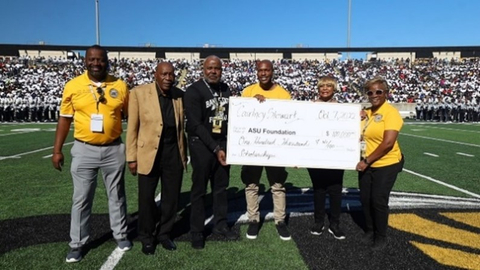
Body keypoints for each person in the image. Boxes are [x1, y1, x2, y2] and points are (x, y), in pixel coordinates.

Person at [51, 45, 131, 263]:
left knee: (116, 195)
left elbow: (131, 117)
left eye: (100, 60)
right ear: (85, 61)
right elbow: (65, 118)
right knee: (81, 198)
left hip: (114, 148)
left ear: (107, 61)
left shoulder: (120, 85)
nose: (96, 63)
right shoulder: (73, 86)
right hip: (84, 148)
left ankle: (121, 234)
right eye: (92, 59)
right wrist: (57, 150)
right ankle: (77, 243)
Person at [126, 62, 187, 255]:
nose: (168, 78)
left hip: (173, 153)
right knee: (146, 198)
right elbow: (132, 128)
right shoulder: (138, 93)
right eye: (164, 74)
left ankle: (164, 234)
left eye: (171, 74)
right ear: (156, 75)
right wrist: (131, 157)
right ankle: (146, 236)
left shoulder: (179, 95)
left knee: (171, 198)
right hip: (148, 154)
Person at [184, 55, 238, 249]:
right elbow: (196, 125)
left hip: (222, 143)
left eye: (217, 69)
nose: (213, 71)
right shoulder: (193, 91)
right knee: (199, 189)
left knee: (221, 187)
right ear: (203, 69)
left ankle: (220, 224)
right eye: (210, 68)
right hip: (201, 145)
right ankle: (197, 230)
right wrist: (215, 149)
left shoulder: (226, 89)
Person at [240, 60, 291, 241]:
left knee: (277, 185)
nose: (264, 73)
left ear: (272, 71)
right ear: (256, 72)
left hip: (274, 146)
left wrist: (268, 105)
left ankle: (280, 220)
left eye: (267, 70)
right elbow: (242, 117)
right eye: (260, 70)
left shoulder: (283, 94)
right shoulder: (248, 91)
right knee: (251, 184)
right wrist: (253, 106)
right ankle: (254, 219)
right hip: (253, 145)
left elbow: (288, 120)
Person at [355, 77, 404, 251]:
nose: (374, 95)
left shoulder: (391, 113)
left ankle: (381, 236)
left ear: (386, 93)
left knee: (378, 200)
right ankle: (370, 230)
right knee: (365, 199)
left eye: (378, 91)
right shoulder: (366, 112)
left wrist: (366, 161)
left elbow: (388, 143)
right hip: (367, 163)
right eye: (370, 92)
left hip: (386, 163)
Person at [307, 76, 346, 240]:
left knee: (336, 190)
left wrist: (360, 115)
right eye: (322, 86)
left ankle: (335, 224)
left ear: (334, 88)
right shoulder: (309, 107)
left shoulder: (343, 109)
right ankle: (319, 222)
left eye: (328, 86)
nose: (324, 89)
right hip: (316, 154)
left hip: (335, 155)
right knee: (319, 189)